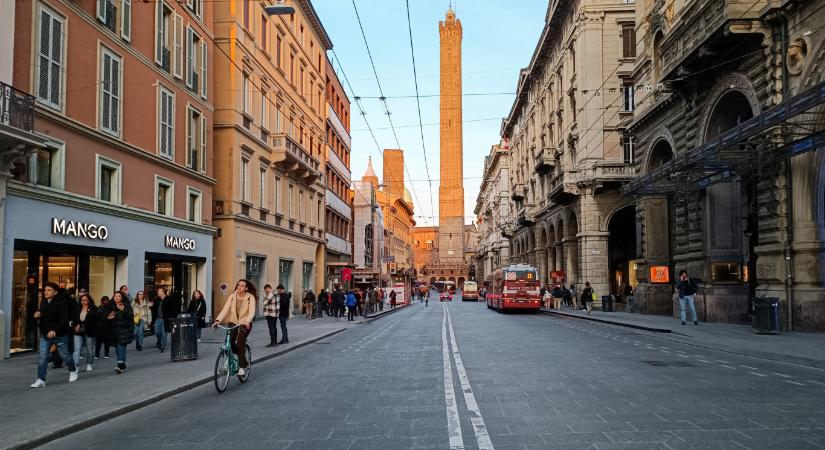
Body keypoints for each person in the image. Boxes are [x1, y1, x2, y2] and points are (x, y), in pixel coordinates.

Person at [30, 282, 78, 387]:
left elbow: (64, 319)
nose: (45, 292)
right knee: (43, 357)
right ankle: (41, 379)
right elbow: (43, 315)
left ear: (55, 292)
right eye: (45, 290)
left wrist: (54, 330)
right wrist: (37, 315)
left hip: (60, 334)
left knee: (65, 355)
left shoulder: (62, 303)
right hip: (45, 335)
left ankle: (73, 369)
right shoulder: (43, 302)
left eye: (49, 290)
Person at [212, 279, 257, 377]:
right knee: (230, 342)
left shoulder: (250, 297)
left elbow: (252, 311)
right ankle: (241, 354)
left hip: (245, 323)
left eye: (242, 286)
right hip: (233, 322)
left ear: (246, 288)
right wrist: (217, 320)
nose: (239, 287)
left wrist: (247, 321)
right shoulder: (232, 296)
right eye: (238, 285)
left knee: (240, 342)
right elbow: (225, 309)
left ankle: (242, 366)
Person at [107, 291, 134, 374]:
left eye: (118, 296)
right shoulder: (110, 306)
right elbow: (105, 318)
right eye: (115, 296)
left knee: (120, 346)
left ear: (122, 297)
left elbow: (131, 316)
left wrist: (123, 310)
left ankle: (119, 365)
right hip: (114, 331)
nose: (116, 297)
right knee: (118, 349)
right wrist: (109, 318)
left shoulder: (126, 305)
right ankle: (123, 364)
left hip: (124, 330)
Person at [150, 287, 180, 353]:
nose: (158, 292)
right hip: (158, 319)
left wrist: (172, 317)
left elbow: (175, 310)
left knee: (164, 333)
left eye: (159, 291)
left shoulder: (170, 299)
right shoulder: (156, 299)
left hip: (166, 319)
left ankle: (162, 346)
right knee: (157, 332)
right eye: (158, 291)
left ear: (163, 292)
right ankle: (159, 340)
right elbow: (154, 310)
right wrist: (151, 306)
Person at [72, 293, 97, 372]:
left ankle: (89, 363)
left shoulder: (93, 309)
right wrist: (76, 324)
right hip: (78, 331)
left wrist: (83, 324)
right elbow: (74, 318)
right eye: (82, 300)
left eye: (85, 300)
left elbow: (94, 320)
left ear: (89, 300)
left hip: (89, 330)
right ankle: (75, 365)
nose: (83, 302)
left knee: (90, 349)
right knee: (77, 348)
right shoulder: (77, 308)